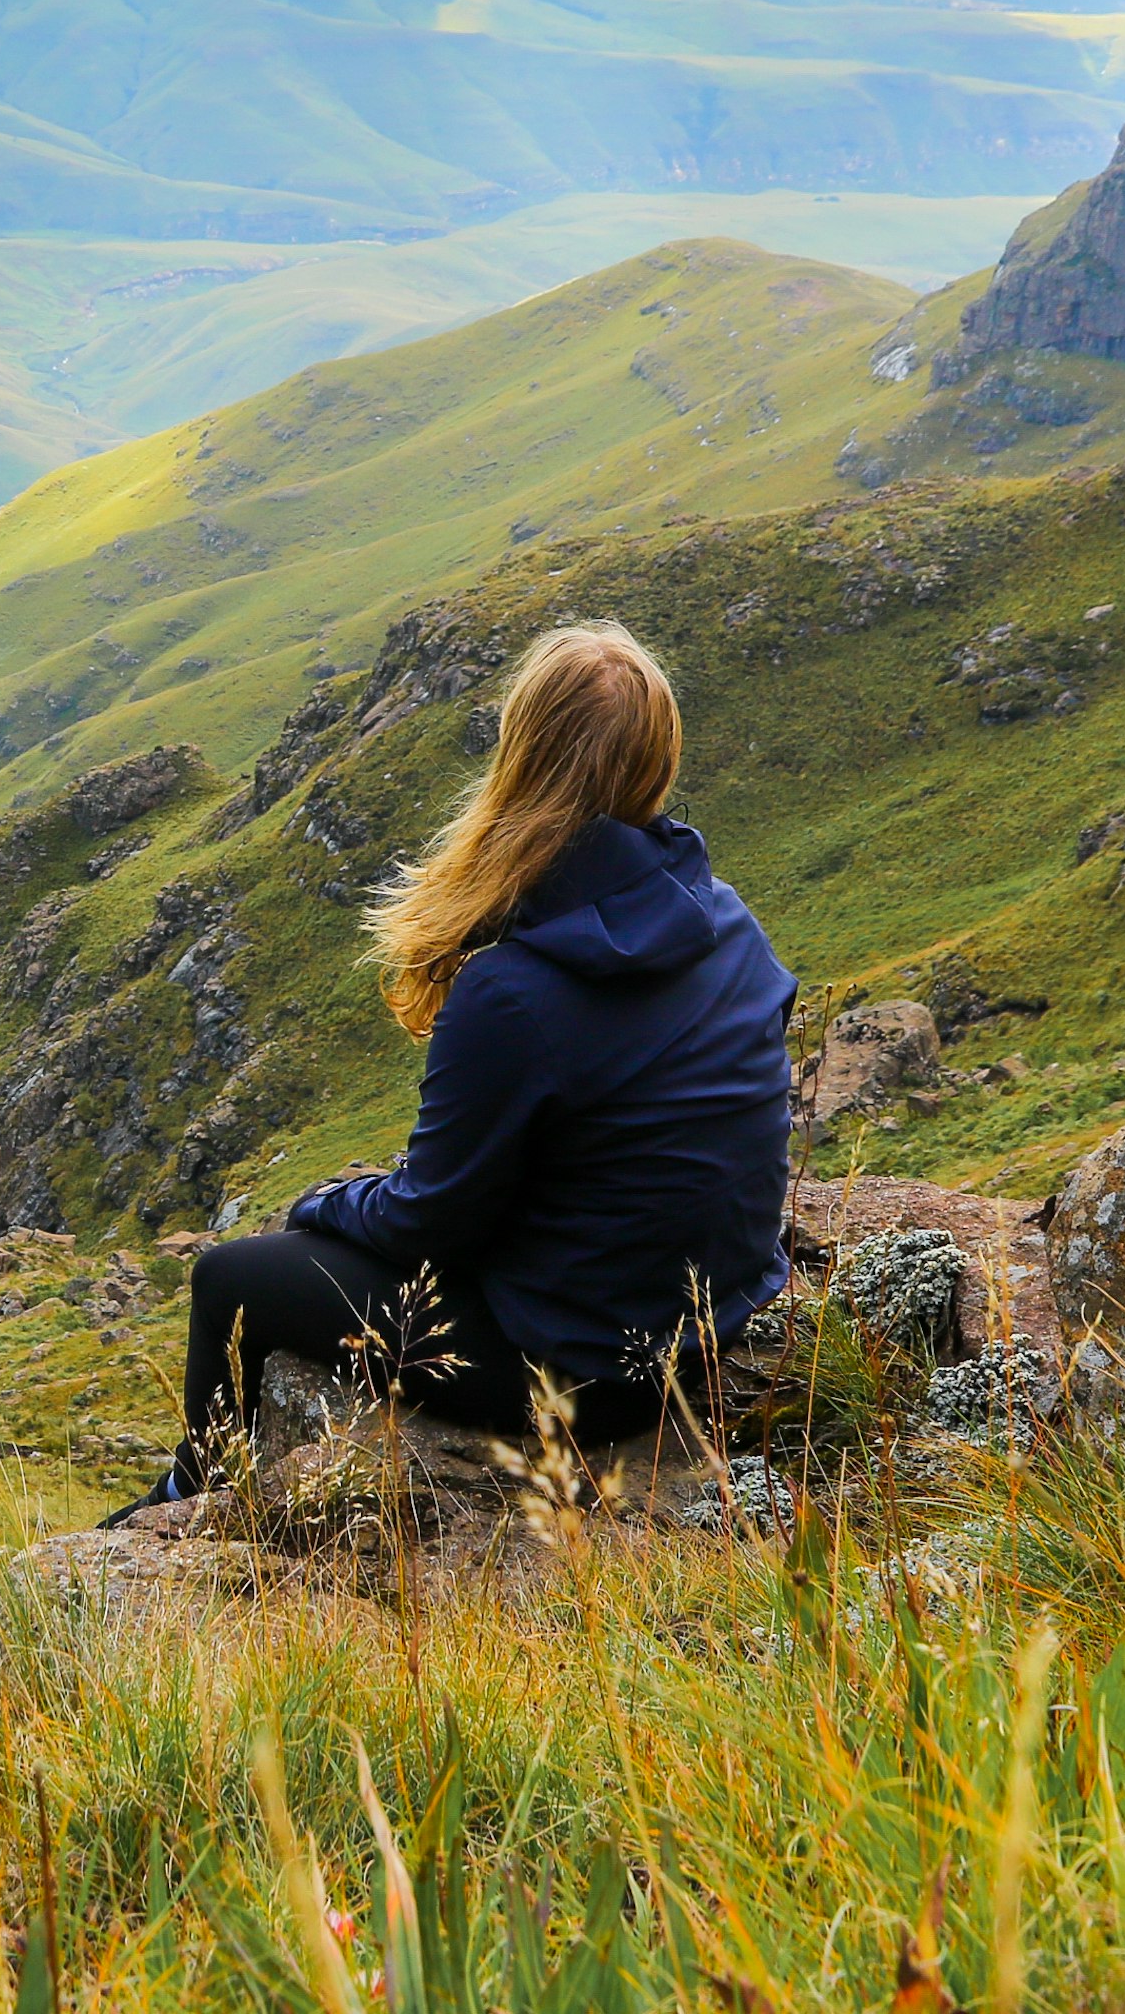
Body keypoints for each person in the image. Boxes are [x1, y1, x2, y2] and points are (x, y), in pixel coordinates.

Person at [117, 620, 796, 1520]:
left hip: (583, 1374)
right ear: (655, 761)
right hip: (711, 1332)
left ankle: (191, 1493)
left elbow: (430, 1224)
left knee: (230, 1280)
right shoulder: (728, 919)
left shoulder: (513, 991)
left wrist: (328, 1204)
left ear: (521, 756)